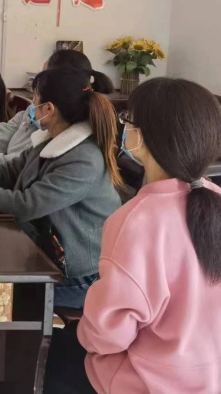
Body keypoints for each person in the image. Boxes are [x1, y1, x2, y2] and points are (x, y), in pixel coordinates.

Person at [77, 78, 221, 393]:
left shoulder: (136, 220)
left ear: (142, 136)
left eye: (127, 119)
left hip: (149, 382)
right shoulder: (214, 197)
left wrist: (85, 333)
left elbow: (107, 334)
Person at [0, 66, 122, 307]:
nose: (31, 106)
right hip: (44, 250)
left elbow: (26, 205)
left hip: (80, 276)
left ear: (49, 109)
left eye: (35, 99)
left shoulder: (83, 159)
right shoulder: (52, 140)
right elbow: (12, 169)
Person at [0, 49, 115, 171]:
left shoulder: (64, 133)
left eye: (44, 73)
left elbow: (20, 168)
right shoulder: (34, 111)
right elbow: (2, 135)